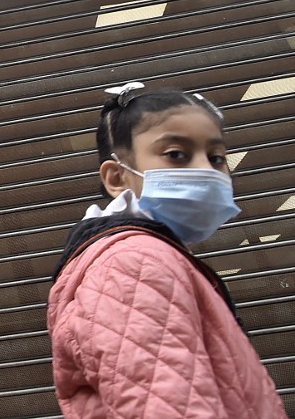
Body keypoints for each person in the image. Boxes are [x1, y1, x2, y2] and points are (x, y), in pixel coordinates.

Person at [46, 82, 286, 419]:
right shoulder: (132, 264)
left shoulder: (151, 256)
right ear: (116, 178)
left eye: (216, 157)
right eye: (176, 155)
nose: (206, 170)